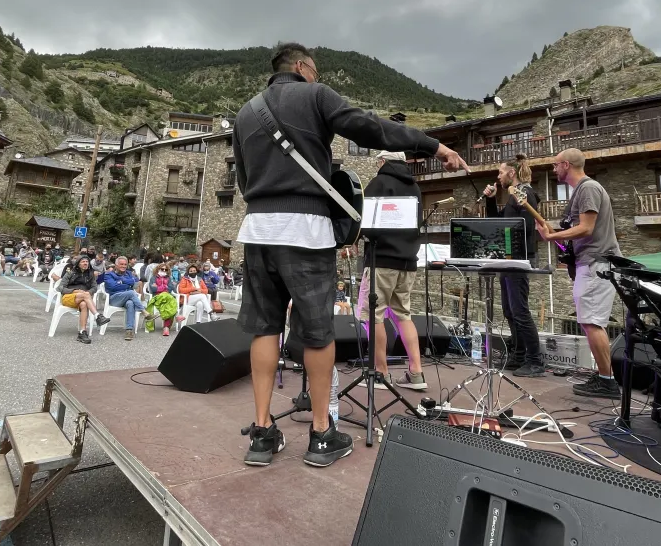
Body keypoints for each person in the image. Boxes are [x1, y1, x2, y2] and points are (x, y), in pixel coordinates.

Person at [233, 42, 468, 468]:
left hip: (257, 230)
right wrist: (432, 146)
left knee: (264, 329)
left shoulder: (246, 112)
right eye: (315, 70)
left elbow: (243, 176)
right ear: (303, 66)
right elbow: (369, 128)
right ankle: (322, 433)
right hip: (305, 230)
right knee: (319, 332)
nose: (316, 77)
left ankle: (263, 433)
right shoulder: (316, 94)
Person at [536, 148, 621, 398]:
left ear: (565, 165)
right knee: (589, 321)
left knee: (592, 322)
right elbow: (576, 238)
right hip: (589, 261)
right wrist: (552, 237)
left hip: (597, 263)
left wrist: (552, 235)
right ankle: (605, 377)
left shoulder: (588, 188)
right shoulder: (581, 191)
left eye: (555, 165)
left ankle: (607, 381)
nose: (553, 170)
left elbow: (586, 228)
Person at [362, 150, 429, 392]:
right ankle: (416, 373)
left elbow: (363, 218)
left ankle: (381, 373)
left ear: (383, 161)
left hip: (382, 259)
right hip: (408, 261)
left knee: (374, 315)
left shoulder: (379, 182)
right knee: (403, 315)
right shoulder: (415, 186)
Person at [483, 156, 545, 377]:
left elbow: (526, 227)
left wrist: (513, 251)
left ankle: (535, 360)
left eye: (501, 172)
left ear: (511, 173)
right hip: (508, 260)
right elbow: (497, 223)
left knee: (520, 311)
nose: (497, 177)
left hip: (518, 260)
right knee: (510, 310)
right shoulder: (511, 196)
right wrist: (490, 200)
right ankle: (518, 355)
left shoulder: (523, 193)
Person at [60, 256, 109, 344]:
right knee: (86, 295)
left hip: (83, 298)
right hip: (68, 297)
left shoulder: (90, 274)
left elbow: (94, 288)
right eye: (83, 262)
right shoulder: (70, 273)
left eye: (87, 262)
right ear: (78, 264)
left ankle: (82, 332)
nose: (85, 263)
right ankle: (97, 316)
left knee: (84, 304)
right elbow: (60, 288)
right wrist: (75, 291)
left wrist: (87, 293)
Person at [98, 256, 143, 341]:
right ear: (116, 265)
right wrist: (128, 283)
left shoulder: (129, 273)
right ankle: (143, 311)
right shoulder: (109, 274)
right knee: (131, 292)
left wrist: (121, 281)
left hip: (127, 298)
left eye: (125, 264)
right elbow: (113, 287)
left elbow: (137, 282)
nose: (123, 266)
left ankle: (129, 330)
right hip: (114, 298)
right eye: (121, 264)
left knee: (130, 303)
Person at [146, 263, 179, 336]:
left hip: (166, 298)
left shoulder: (169, 278)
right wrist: (165, 287)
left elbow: (170, 288)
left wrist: (159, 288)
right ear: (158, 269)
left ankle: (166, 328)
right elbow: (153, 289)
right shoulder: (153, 278)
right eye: (162, 269)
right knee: (171, 299)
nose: (164, 270)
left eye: (166, 269)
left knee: (168, 305)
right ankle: (175, 317)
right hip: (157, 298)